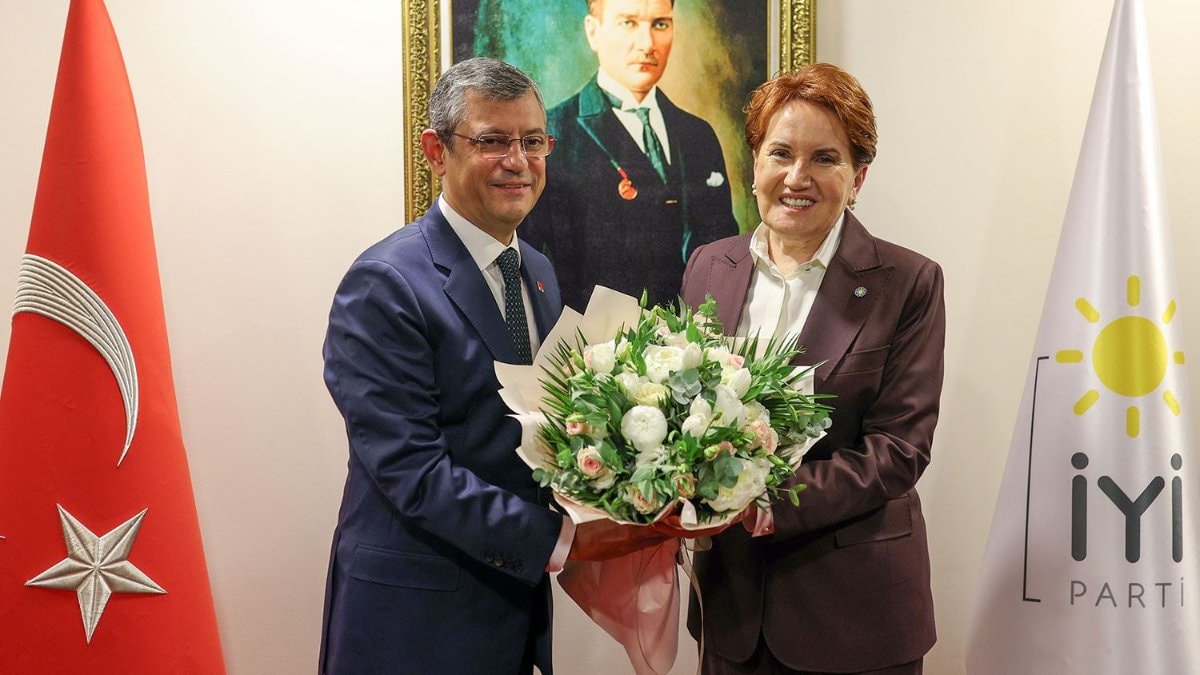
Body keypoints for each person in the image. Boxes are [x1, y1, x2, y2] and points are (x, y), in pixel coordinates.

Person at [318, 57, 662, 675]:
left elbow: (535, 432)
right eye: (493, 141)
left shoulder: (537, 271)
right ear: (436, 151)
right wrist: (565, 540)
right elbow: (412, 471)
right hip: (412, 624)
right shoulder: (384, 284)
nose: (518, 161)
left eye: (533, 141)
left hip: (509, 612)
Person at [680, 63, 945, 674]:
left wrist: (763, 502)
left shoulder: (907, 282)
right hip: (730, 611)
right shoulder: (708, 267)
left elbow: (898, 449)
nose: (797, 178)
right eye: (780, 153)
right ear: (755, 164)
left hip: (854, 612)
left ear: (857, 179)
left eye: (825, 159)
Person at [522, 0, 739, 311]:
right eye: (628, 23)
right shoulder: (552, 135)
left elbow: (724, 253)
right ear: (593, 32)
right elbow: (527, 265)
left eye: (660, 24)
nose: (647, 44)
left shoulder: (698, 134)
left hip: (693, 335)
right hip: (587, 338)